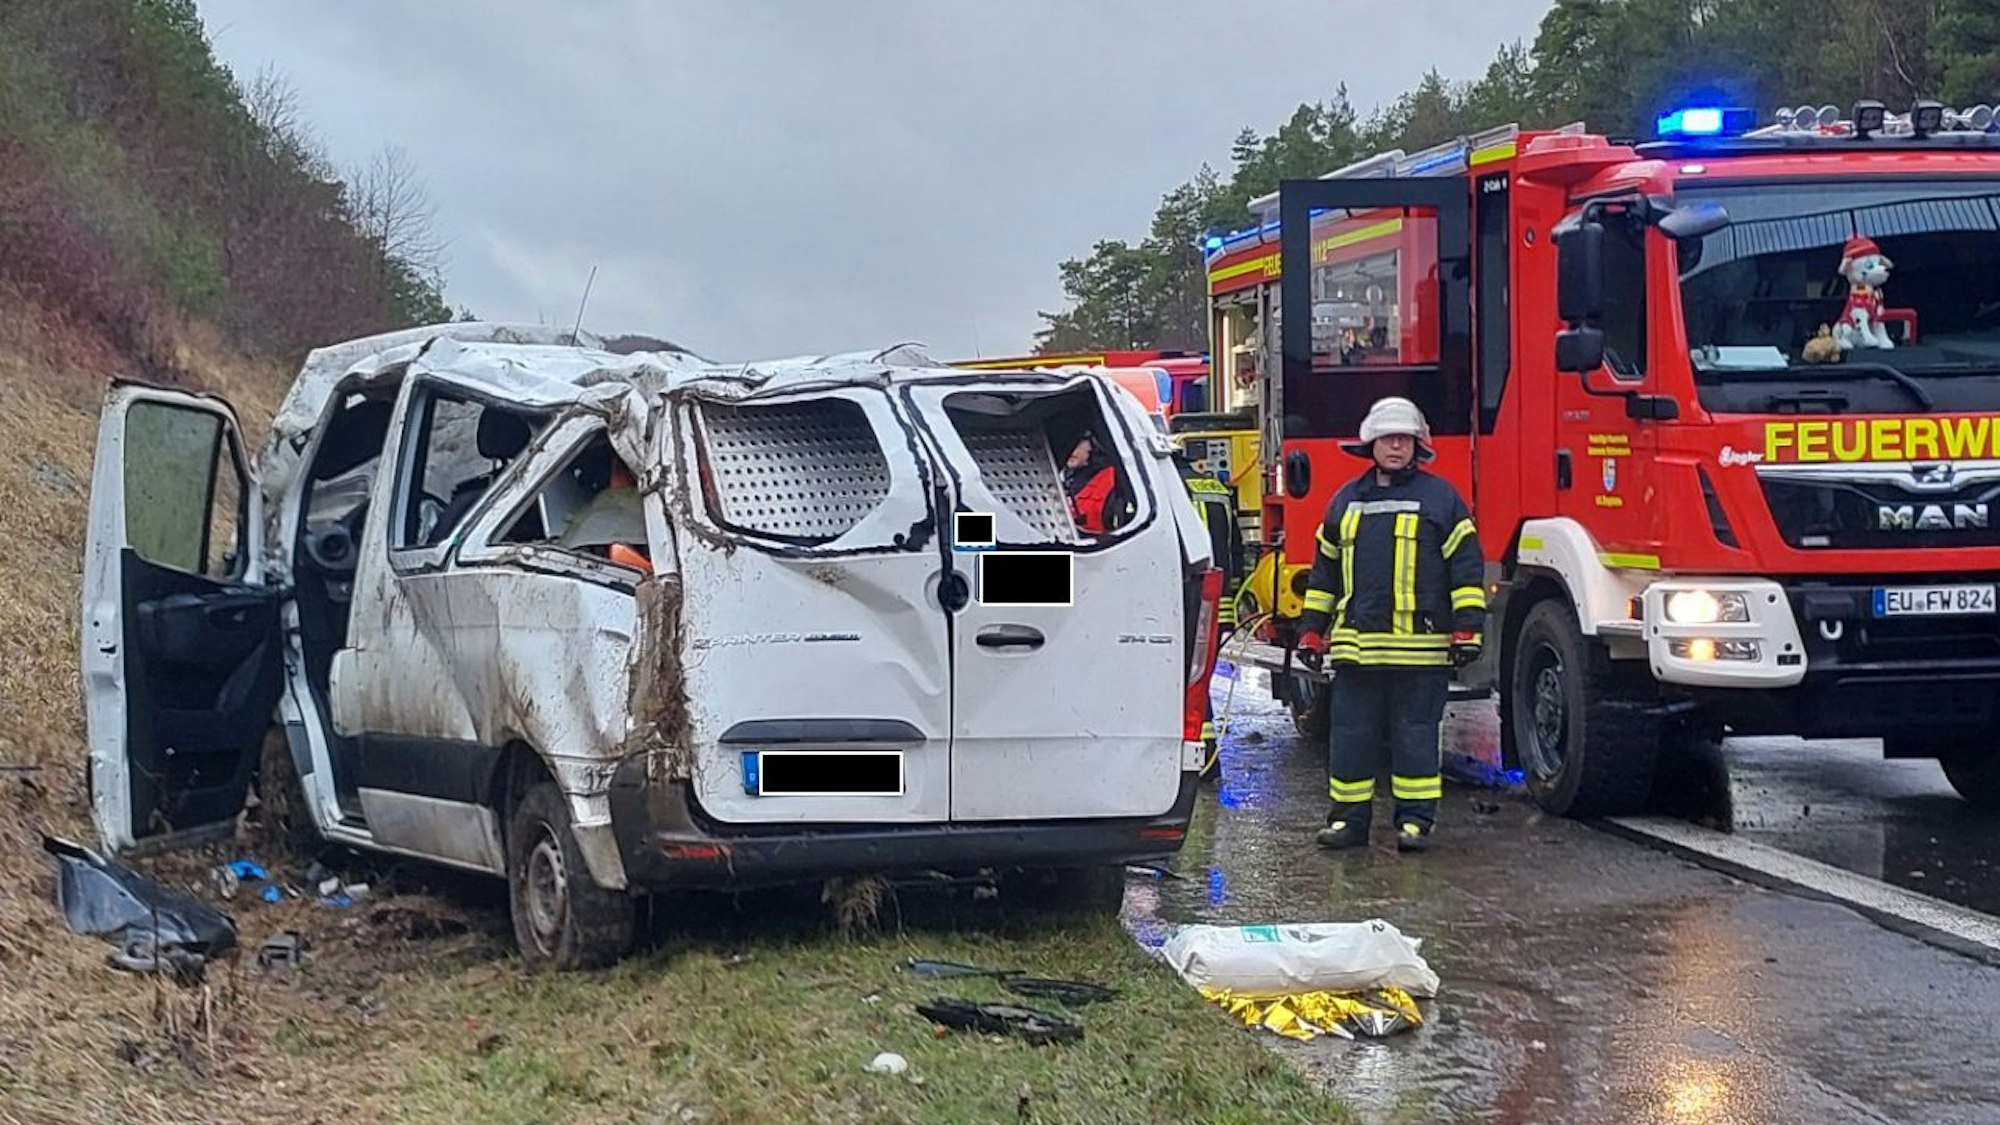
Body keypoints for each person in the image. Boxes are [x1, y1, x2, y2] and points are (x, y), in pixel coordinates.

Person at [1295, 396, 1484, 853]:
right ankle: (1348, 823)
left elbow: (1466, 570)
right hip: (1358, 652)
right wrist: (1312, 630)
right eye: (1388, 439)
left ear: (1418, 445)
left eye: (1404, 439)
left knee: (1415, 737)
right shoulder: (1346, 502)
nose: (1396, 447)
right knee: (1350, 738)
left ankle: (1415, 823)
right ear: (1371, 444)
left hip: (1421, 651)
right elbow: (1325, 576)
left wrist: (1467, 629)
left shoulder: (1442, 500)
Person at [1058, 424, 1134, 534]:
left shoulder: (1116, 478)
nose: (1071, 450)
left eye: (1078, 444)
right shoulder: (1061, 476)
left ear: (1094, 445)